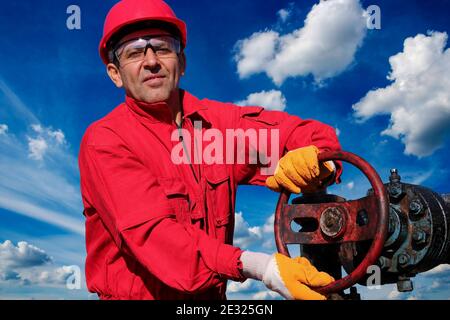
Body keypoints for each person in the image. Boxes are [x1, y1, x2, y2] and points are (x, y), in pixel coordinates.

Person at [78, 0, 343, 300]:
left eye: (163, 48)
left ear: (182, 63)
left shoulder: (218, 127)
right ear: (115, 73)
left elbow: (310, 135)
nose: (151, 61)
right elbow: (157, 239)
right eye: (135, 52)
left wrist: (317, 164)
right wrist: (262, 267)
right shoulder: (106, 140)